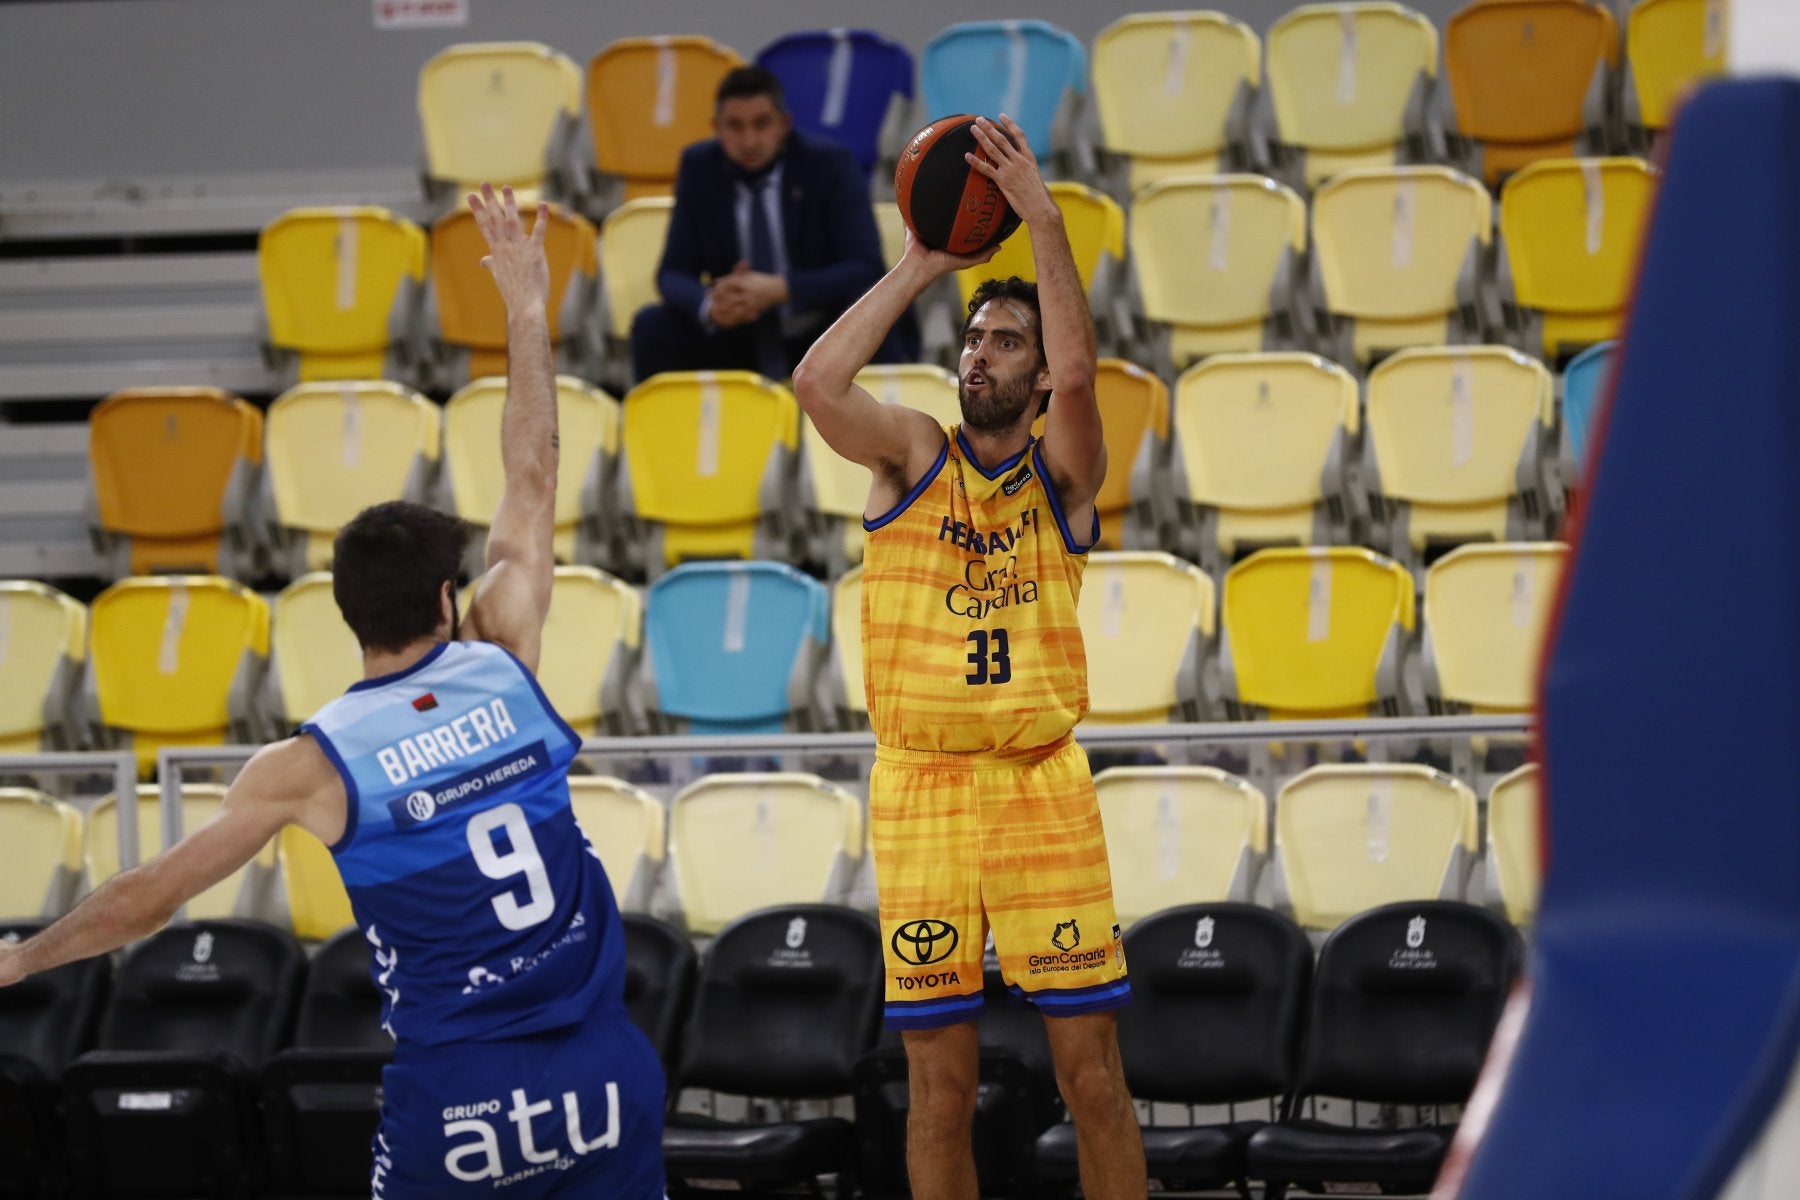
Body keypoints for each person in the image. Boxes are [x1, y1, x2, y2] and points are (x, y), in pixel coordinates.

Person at [0, 186, 667, 1200]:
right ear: (451, 597)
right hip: (600, 1069)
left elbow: (151, 898)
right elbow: (531, 478)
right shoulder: (503, 654)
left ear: (347, 614)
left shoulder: (310, 765)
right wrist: (527, 314)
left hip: (462, 1099)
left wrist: (17, 962)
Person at [790, 116, 1147, 1199]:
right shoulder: (910, 455)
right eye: (974, 339)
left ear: (1036, 380)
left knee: (1092, 1078)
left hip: (1041, 787)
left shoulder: (1062, 475)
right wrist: (922, 262)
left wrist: (1040, 216)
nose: (978, 354)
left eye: (1005, 344)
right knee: (935, 1089)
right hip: (924, 793)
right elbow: (816, 383)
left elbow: (1085, 383)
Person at [630, 64, 917, 384]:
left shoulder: (829, 164)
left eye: (761, 124)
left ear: (784, 124)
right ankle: (659, 431)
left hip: (820, 329)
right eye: (735, 126)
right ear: (717, 128)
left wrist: (781, 289)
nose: (749, 140)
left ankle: (886, 426)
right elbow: (671, 273)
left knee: (879, 311)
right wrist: (710, 304)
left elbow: (866, 266)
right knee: (653, 325)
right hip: (735, 332)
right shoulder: (698, 168)